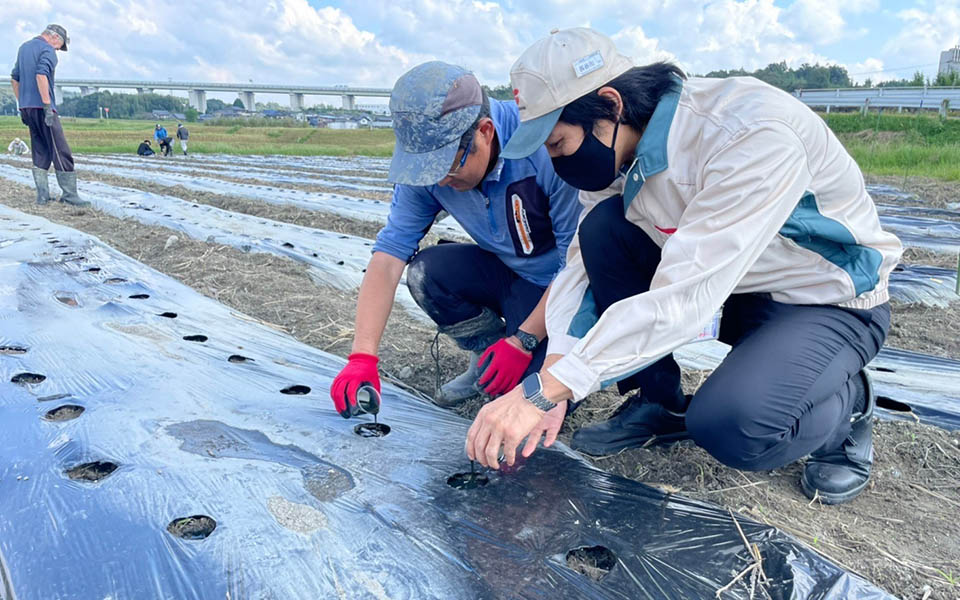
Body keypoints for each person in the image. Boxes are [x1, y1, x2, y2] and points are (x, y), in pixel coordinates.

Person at [466, 28, 903, 506]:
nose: (556, 161)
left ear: (610, 105)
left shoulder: (747, 134)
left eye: (558, 143)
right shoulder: (618, 151)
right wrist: (555, 375)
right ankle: (659, 402)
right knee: (603, 232)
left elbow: (685, 297)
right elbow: (581, 267)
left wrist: (543, 391)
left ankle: (848, 406)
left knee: (731, 424)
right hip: (737, 289)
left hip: (825, 300)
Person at [329, 61, 580, 418]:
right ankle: (488, 355)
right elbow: (388, 257)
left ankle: (521, 353)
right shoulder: (430, 177)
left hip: (562, 288)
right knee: (427, 273)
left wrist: (524, 341)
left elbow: (577, 267)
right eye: (430, 171)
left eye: (448, 167)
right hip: (505, 271)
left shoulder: (545, 148)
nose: (441, 182)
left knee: (540, 398)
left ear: (485, 132)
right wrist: (361, 357)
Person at [10, 24, 89, 206]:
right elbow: (41, 75)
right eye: (59, 46)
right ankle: (70, 196)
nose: (57, 50)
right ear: (55, 38)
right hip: (42, 107)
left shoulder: (24, 47)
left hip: (27, 108)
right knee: (60, 149)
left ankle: (42, 196)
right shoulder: (48, 50)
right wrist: (47, 106)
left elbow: (15, 78)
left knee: (40, 149)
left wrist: (22, 104)